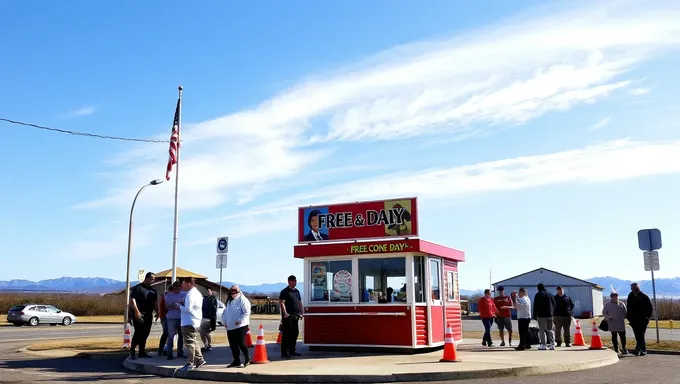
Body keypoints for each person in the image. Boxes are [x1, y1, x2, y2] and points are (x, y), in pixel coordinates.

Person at [178, 277, 205, 373]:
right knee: (193, 341)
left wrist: (179, 306)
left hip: (189, 321)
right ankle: (199, 359)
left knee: (189, 343)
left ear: (189, 283)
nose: (182, 285)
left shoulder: (191, 294)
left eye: (184, 283)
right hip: (194, 320)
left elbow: (188, 308)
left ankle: (191, 362)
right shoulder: (196, 293)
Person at [129, 272, 158, 359]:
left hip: (149, 314)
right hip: (139, 313)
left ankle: (142, 352)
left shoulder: (153, 290)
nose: (153, 281)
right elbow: (132, 300)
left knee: (146, 332)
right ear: (147, 278)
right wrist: (136, 312)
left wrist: (158, 312)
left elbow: (155, 302)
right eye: (152, 279)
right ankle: (132, 349)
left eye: (154, 279)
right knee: (139, 332)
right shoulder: (138, 288)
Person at [222, 285, 251, 368]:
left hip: (241, 326)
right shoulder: (229, 301)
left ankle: (247, 358)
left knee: (241, 343)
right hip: (230, 326)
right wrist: (224, 321)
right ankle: (236, 360)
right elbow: (225, 312)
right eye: (231, 292)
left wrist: (239, 321)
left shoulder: (243, 300)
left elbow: (246, 313)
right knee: (232, 344)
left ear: (238, 291)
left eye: (234, 292)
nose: (233, 294)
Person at [279, 275, 303, 358]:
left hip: (295, 315)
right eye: (292, 281)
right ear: (289, 282)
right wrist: (285, 313)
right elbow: (282, 303)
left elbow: (299, 302)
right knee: (286, 335)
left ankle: (292, 350)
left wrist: (301, 312)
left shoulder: (297, 291)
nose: (294, 283)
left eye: (295, 281)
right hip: (288, 316)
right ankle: (284, 352)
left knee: (295, 333)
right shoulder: (285, 291)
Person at [626, 282, 653, 356]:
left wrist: (647, 317)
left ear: (638, 288)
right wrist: (628, 317)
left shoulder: (644, 297)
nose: (634, 290)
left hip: (642, 320)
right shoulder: (630, 296)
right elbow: (628, 307)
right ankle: (640, 349)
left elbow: (650, 308)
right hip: (633, 320)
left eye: (635, 288)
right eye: (632, 288)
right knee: (637, 335)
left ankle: (640, 349)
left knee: (641, 335)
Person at [164, 281, 186, 360]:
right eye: (176, 286)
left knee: (181, 335)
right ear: (173, 287)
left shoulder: (184, 294)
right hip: (171, 318)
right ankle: (169, 354)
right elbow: (169, 306)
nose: (178, 288)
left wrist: (178, 305)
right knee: (171, 335)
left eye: (179, 286)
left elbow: (186, 304)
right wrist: (179, 304)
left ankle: (180, 352)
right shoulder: (168, 295)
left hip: (181, 318)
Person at [532, 283, 556, 350]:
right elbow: (554, 304)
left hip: (541, 315)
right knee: (550, 329)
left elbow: (535, 305)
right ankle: (552, 344)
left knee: (542, 330)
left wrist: (534, 314)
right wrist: (552, 312)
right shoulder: (550, 294)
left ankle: (543, 344)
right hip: (550, 315)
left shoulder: (538, 295)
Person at [157, 285, 170, 356]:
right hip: (164, 316)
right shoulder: (164, 295)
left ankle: (164, 348)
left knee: (169, 333)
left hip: (168, 316)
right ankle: (162, 348)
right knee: (166, 332)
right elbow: (161, 306)